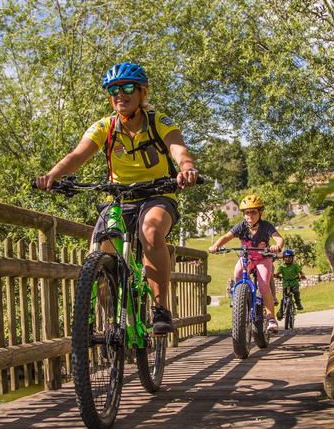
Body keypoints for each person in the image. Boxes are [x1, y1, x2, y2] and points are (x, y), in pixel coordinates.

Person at [35, 62, 200, 335]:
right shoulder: (105, 127)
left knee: (150, 231)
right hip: (120, 197)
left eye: (126, 88)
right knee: (98, 252)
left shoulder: (160, 122)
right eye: (113, 90)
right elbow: (77, 155)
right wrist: (52, 175)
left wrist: (187, 169)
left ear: (142, 93)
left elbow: (178, 149)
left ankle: (161, 308)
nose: (119, 95)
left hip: (158, 195)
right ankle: (114, 320)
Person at [208, 194, 284, 331]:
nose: (250, 215)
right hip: (246, 258)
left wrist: (277, 245)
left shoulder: (266, 226)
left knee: (263, 284)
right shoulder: (241, 226)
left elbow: (278, 238)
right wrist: (216, 245)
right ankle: (242, 298)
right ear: (243, 214)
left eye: (253, 212)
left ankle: (271, 318)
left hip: (263, 258)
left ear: (260, 213)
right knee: (237, 272)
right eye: (246, 212)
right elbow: (227, 236)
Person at [275, 248, 306, 318]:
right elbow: (277, 273)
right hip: (286, 283)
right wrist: (276, 276)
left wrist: (302, 275)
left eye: (289, 257)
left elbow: (301, 272)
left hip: (294, 282)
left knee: (296, 293)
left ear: (292, 258)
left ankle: (298, 304)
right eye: (286, 257)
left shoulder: (295, 265)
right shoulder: (282, 267)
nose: (288, 259)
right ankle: (281, 310)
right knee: (284, 297)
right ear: (283, 258)